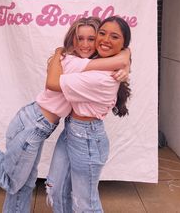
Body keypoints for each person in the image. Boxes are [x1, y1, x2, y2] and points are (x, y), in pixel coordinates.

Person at [0, 17, 130, 213]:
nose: (85, 44)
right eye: (80, 39)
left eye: (91, 39)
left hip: (38, 124)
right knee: (13, 183)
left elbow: (117, 55)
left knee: (24, 185)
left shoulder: (83, 62)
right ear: (73, 40)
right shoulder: (69, 61)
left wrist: (126, 58)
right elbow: (55, 81)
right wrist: (123, 59)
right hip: (32, 124)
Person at [45, 16, 131, 213]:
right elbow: (125, 52)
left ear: (123, 43)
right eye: (102, 33)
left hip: (88, 139)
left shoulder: (104, 77)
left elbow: (52, 84)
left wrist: (59, 52)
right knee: (55, 188)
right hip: (71, 131)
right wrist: (126, 58)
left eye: (114, 36)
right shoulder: (95, 61)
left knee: (86, 203)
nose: (105, 39)